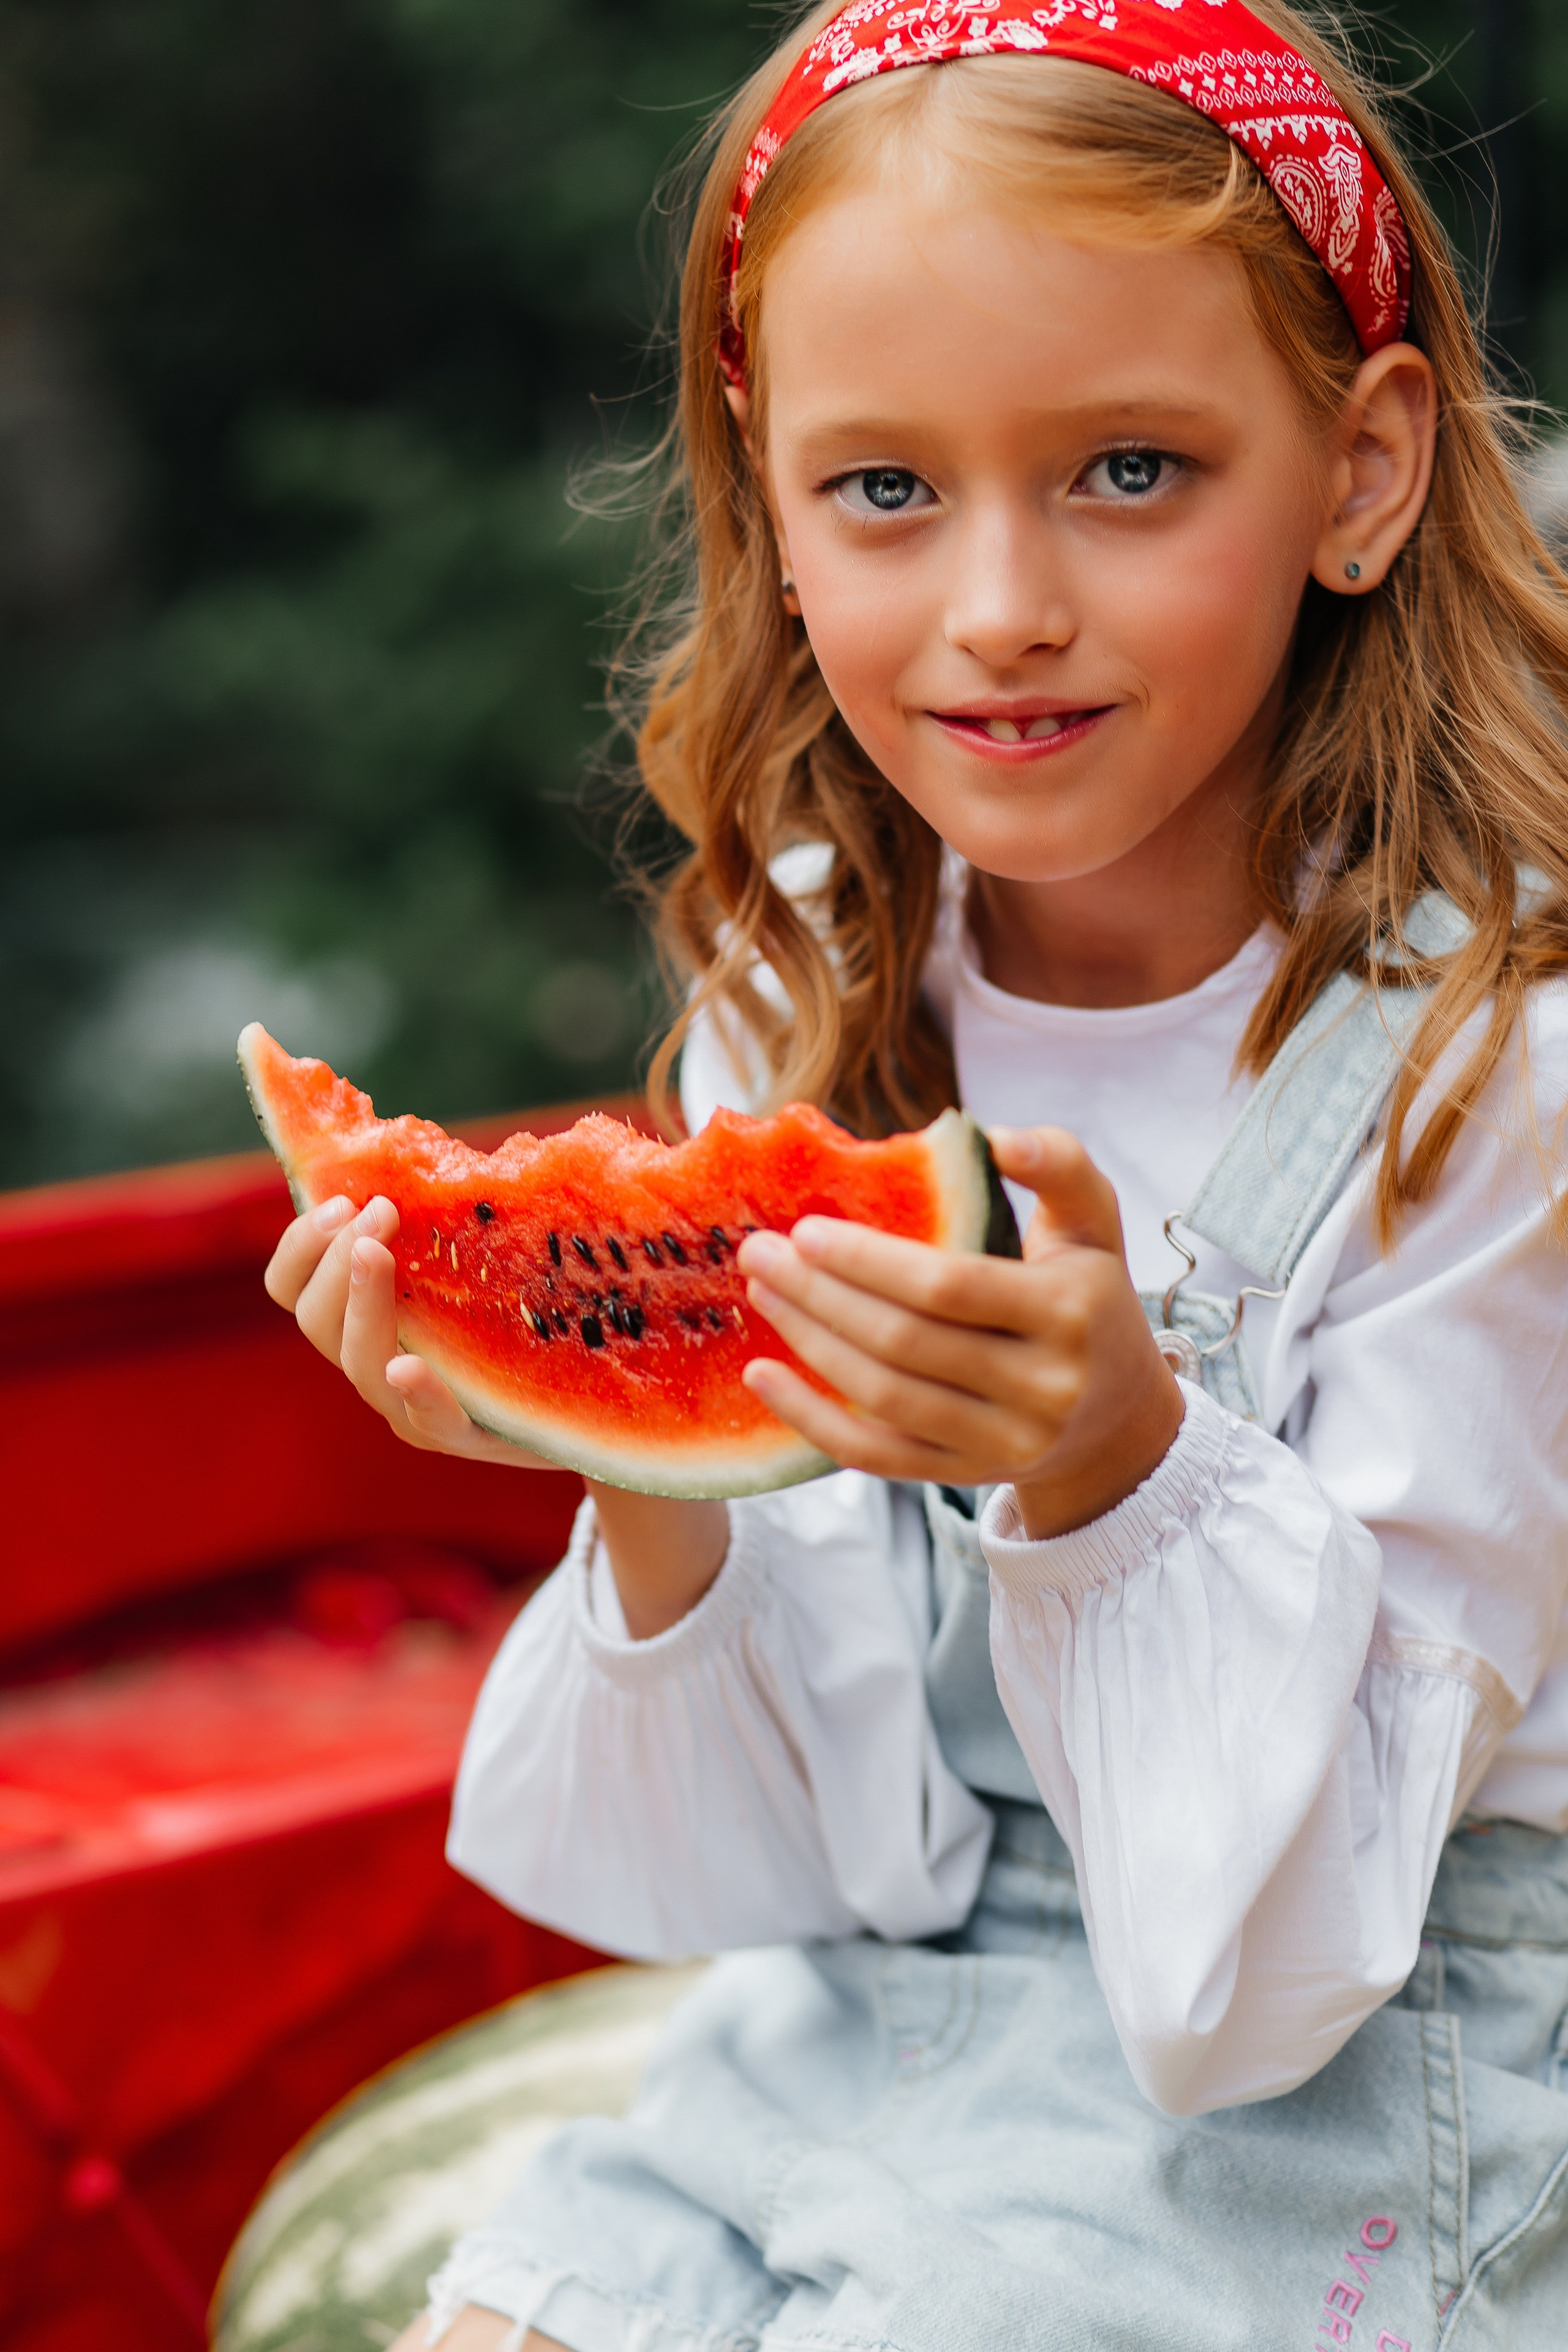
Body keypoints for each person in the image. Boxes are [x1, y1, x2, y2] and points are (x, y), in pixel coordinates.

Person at [263, 2, 1568, 2344]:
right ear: (769, 503)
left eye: (1130, 471)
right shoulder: (817, 979)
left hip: (1384, 2075)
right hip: (898, 2011)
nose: (998, 608)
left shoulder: (1497, 1074)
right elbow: (829, 1859)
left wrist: (1118, 1467)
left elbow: (1287, 1964)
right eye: (883, 490)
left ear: (1362, 471)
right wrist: (621, 1453)